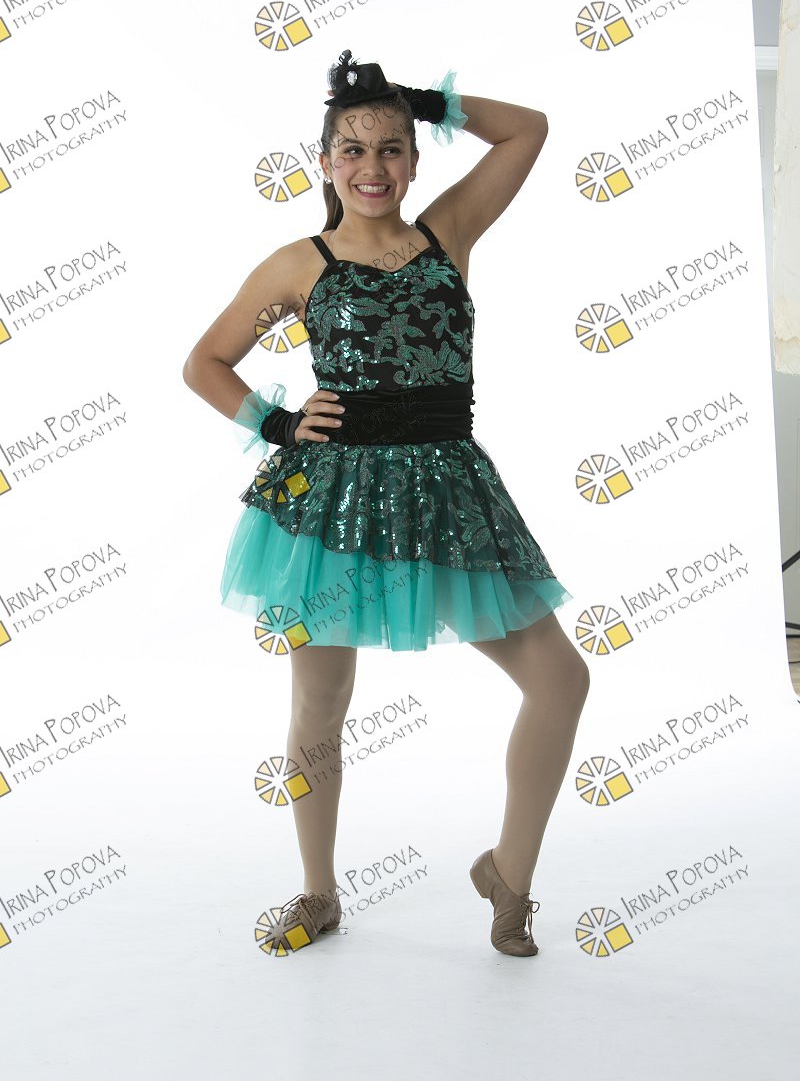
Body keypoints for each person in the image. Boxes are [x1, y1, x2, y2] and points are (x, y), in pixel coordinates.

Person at [182, 49, 591, 957]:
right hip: (331, 505)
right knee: (320, 703)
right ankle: (318, 891)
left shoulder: (449, 233)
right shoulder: (299, 263)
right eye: (353, 149)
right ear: (324, 162)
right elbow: (203, 363)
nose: (373, 166)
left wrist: (421, 101)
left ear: (414, 159)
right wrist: (277, 424)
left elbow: (528, 129)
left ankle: (510, 876)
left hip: (448, 495)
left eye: (392, 147)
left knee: (561, 680)